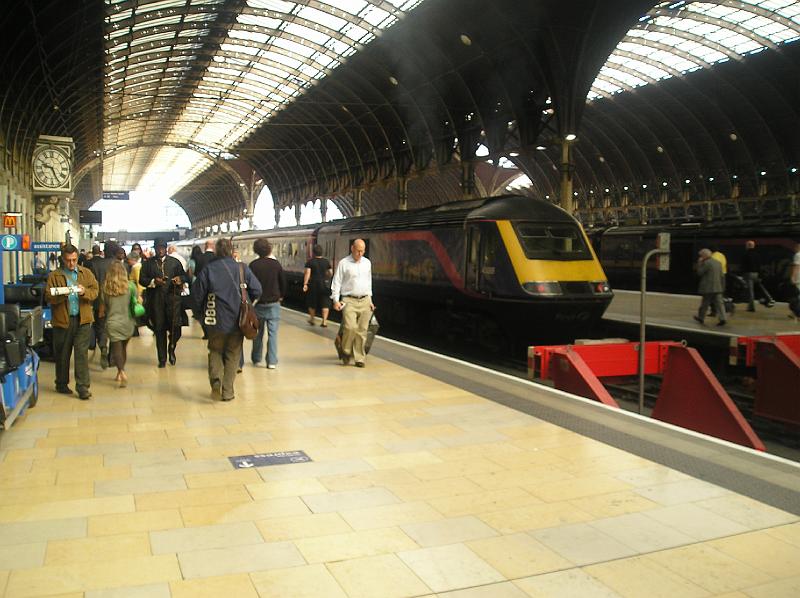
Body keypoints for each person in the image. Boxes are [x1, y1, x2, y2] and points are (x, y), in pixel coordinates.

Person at [193, 238, 261, 401]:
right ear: (231, 251)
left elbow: (196, 296)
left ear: (216, 251)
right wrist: (246, 302)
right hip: (238, 320)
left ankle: (216, 383)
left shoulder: (209, 270)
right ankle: (228, 391)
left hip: (214, 319)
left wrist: (201, 315)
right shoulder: (242, 268)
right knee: (233, 354)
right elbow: (257, 290)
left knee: (215, 350)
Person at [45, 244, 99, 400]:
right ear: (63, 259)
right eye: (68, 260)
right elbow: (48, 296)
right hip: (63, 321)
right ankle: (61, 383)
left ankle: (83, 387)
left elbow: (95, 291)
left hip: (83, 320)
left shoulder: (86, 273)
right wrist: (63, 293)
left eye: (74, 260)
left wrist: (84, 292)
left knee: (81, 354)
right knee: (62, 353)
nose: (71, 263)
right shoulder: (55, 276)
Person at [139, 239, 189, 367]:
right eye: (158, 248)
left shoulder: (174, 263)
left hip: (173, 301)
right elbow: (142, 280)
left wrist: (179, 279)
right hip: (156, 301)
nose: (160, 250)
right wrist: (153, 282)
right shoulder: (148, 264)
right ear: (155, 249)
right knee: (159, 329)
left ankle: (172, 347)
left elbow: (184, 276)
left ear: (166, 249)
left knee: (176, 328)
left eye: (162, 247)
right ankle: (162, 359)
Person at [331, 238, 374, 367]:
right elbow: (337, 282)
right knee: (350, 327)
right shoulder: (344, 263)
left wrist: (370, 300)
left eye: (362, 251)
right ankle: (346, 351)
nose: (360, 254)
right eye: (358, 251)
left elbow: (368, 282)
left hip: (365, 299)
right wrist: (335, 300)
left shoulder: (367, 263)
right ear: (352, 249)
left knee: (362, 330)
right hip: (348, 299)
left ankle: (360, 358)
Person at [249, 239, 286, 369]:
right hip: (273, 304)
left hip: (258, 304)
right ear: (269, 249)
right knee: (273, 334)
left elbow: (250, 285)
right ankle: (271, 361)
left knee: (257, 333)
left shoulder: (253, 265)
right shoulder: (276, 265)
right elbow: (283, 282)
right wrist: (281, 296)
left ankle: (256, 358)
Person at [103, 261, 135, 388]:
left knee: (116, 350)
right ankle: (120, 371)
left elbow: (104, 306)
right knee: (123, 349)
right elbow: (135, 302)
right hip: (127, 322)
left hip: (113, 322)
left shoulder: (105, 287)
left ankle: (121, 371)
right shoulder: (130, 286)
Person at [87, 242, 116, 369]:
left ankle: (103, 346)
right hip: (116, 302)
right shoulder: (120, 265)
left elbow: (91, 284)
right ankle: (112, 357)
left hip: (99, 301)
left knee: (101, 327)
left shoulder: (95, 264)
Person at [693, 248, 727, 327]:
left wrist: (699, 263)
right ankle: (723, 318)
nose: (700, 257)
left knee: (705, 303)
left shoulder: (706, 263)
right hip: (718, 287)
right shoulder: (718, 263)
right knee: (719, 304)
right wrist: (722, 286)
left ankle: (701, 317)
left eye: (701, 256)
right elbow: (722, 276)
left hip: (708, 288)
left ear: (704, 256)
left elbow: (699, 272)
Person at [303, 244, 332, 327]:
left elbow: (307, 274)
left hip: (313, 285)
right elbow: (330, 273)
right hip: (324, 285)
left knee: (312, 302)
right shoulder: (326, 261)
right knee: (325, 303)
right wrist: (327, 278)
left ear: (313, 253)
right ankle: (324, 321)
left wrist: (305, 284)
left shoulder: (310, 262)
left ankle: (312, 319)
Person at [741, 240, 774, 312]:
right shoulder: (757, 255)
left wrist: (742, 275)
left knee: (750, 291)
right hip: (756, 274)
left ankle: (751, 307)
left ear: (748, 246)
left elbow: (743, 266)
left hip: (748, 274)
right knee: (760, 287)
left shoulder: (745, 254)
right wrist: (760, 275)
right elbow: (759, 266)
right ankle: (769, 298)